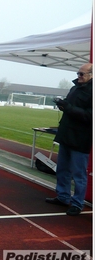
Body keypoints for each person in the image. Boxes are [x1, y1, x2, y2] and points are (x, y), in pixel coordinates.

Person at [46, 63, 93, 216]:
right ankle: (63, 196)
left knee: (79, 174)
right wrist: (62, 105)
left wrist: (69, 107)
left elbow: (89, 116)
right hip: (66, 133)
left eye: (82, 74)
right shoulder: (74, 88)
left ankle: (77, 203)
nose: (78, 76)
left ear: (91, 75)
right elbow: (71, 108)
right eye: (78, 73)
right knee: (62, 169)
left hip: (81, 137)